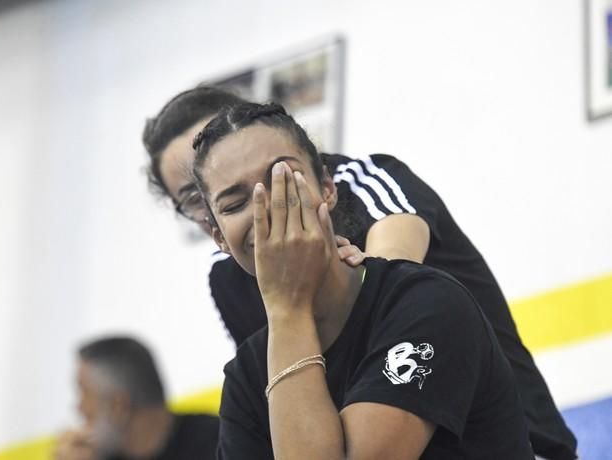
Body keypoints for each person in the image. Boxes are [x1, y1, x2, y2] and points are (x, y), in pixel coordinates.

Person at [142, 87, 577, 458]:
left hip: (503, 431)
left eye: (276, 174)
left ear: (326, 187)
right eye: (205, 195)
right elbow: (283, 389)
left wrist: (304, 287)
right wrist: (291, 307)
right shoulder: (231, 298)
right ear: (207, 222)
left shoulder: (369, 186)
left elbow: (389, 271)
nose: (265, 206)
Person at [53, 336, 219, 460]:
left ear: (119, 407)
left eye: (85, 393)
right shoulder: (99, 455)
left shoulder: (221, 444)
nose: (79, 408)